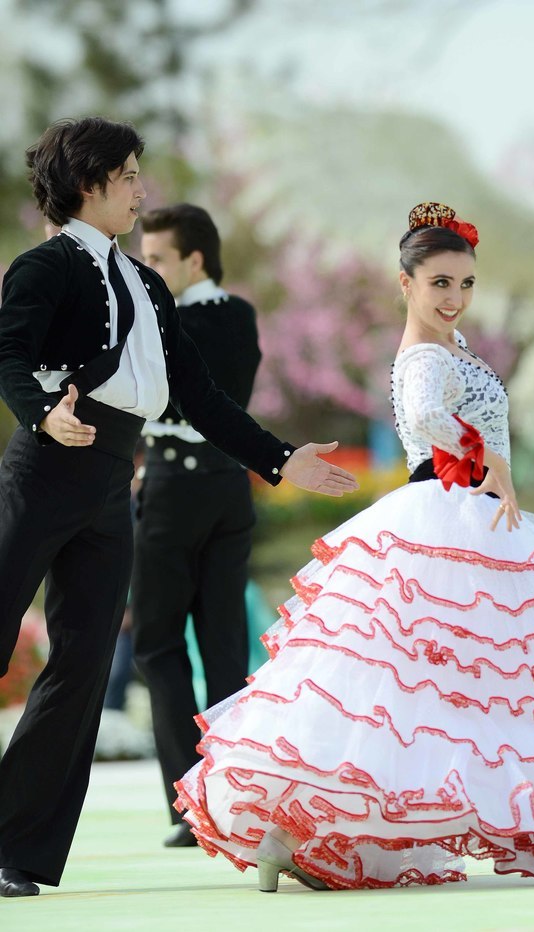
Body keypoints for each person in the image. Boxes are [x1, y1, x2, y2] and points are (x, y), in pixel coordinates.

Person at [175, 203, 534, 892]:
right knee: (514, 684)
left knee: (425, 693)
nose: (455, 297)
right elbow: (423, 414)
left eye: (466, 283)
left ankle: (284, 837)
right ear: (405, 283)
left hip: (466, 521)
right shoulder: (423, 356)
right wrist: (483, 455)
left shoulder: (452, 346)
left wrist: (485, 459)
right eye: (440, 283)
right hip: (453, 522)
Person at [0, 116, 357, 898]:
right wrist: (41, 412)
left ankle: (12, 851)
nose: (141, 189)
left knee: (82, 666)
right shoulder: (42, 266)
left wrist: (278, 457)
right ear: (88, 184)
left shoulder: (148, 284)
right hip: (44, 468)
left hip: (109, 482)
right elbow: (8, 353)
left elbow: (200, 393)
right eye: (128, 175)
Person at [130, 204, 265, 847]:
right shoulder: (241, 315)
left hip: (173, 490)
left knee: (158, 645)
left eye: (157, 259)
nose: (147, 269)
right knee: (224, 645)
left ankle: (190, 804)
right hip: (229, 488)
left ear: (194, 260)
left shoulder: (167, 319)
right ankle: (230, 798)